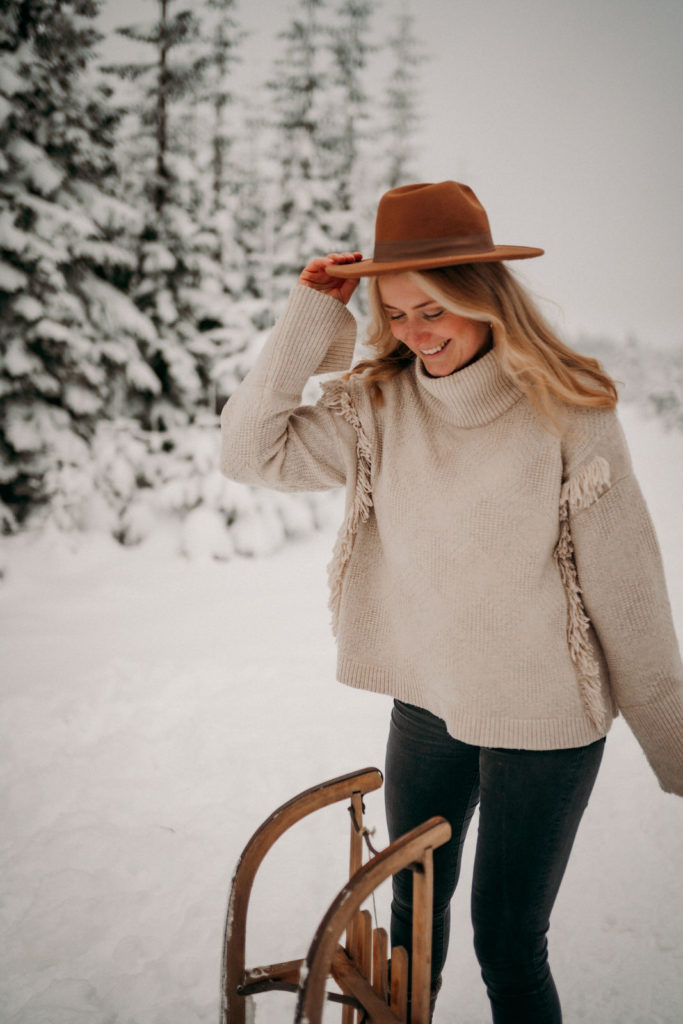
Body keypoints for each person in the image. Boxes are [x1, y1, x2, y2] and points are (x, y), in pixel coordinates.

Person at [220, 180, 683, 1022]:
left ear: (482, 293)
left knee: (506, 941)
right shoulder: (378, 409)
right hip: (428, 706)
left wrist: (674, 746)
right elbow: (251, 453)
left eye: (430, 308)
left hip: (543, 719)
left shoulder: (567, 409)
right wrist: (307, 317)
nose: (413, 333)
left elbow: (629, 588)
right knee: (411, 922)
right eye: (393, 314)